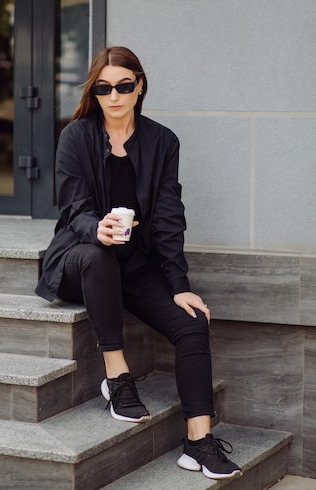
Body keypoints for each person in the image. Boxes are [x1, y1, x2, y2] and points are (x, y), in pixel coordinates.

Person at [35, 46, 242, 481]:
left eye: (123, 86)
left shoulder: (161, 141)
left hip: (136, 266)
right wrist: (98, 229)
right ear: (95, 91)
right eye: (104, 87)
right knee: (97, 255)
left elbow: (168, 216)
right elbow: (73, 209)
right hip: (81, 259)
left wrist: (179, 283)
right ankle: (117, 377)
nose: (114, 96)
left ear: (139, 85)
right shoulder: (75, 136)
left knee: (191, 325)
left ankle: (199, 443)